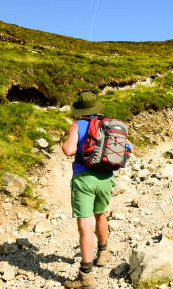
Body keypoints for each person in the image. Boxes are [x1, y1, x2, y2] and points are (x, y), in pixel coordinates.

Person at [62, 91, 115, 289]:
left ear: (80, 110)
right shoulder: (110, 124)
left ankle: (86, 277)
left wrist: (65, 142)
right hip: (106, 178)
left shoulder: (77, 125)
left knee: (85, 224)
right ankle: (103, 252)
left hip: (84, 179)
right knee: (101, 215)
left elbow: (69, 150)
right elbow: (130, 147)